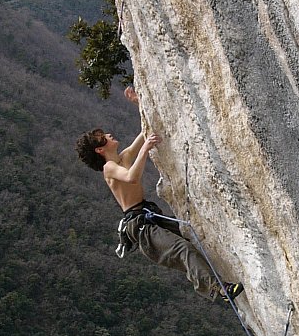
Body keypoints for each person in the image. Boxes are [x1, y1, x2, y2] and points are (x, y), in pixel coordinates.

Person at [76, 87, 244, 303]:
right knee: (182, 248)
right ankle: (218, 289)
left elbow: (146, 130)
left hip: (147, 215)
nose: (109, 135)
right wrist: (145, 150)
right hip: (139, 226)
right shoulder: (109, 168)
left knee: (191, 237)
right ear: (100, 149)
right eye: (103, 137)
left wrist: (138, 103)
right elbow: (130, 178)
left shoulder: (125, 155)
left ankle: (217, 281)